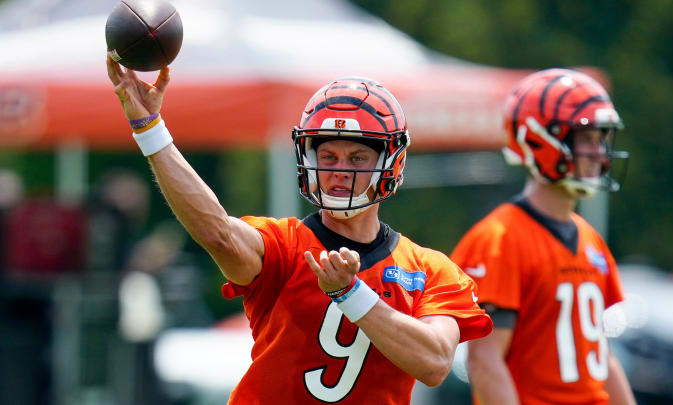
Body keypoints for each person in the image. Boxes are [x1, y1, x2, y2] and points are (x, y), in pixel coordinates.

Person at [106, 55, 492, 405]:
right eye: (327, 155)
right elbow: (217, 232)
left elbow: (435, 361)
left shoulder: (429, 268)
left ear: (391, 162)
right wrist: (149, 129)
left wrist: (351, 294)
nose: (339, 169)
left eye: (357, 157)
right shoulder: (283, 244)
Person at [450, 68, 637, 405]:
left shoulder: (589, 237)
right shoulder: (501, 240)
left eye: (601, 139)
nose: (598, 152)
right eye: (585, 139)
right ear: (540, 139)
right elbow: (484, 359)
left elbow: (600, 357)